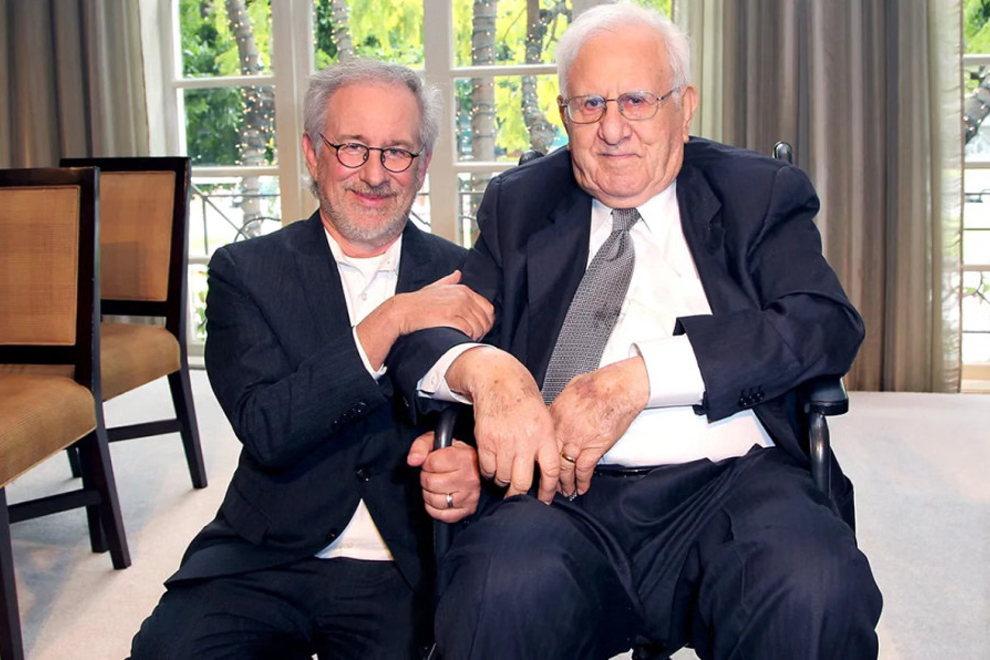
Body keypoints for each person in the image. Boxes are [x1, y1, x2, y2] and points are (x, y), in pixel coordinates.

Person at [386, 3, 882, 658]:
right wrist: (488, 372)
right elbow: (429, 333)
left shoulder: (757, 192)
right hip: (559, 496)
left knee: (813, 590)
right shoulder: (521, 204)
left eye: (638, 101)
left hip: (734, 482)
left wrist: (643, 378)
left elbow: (823, 323)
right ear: (565, 115)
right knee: (493, 594)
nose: (613, 129)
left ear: (686, 105)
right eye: (590, 105)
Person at [129, 59, 494, 660]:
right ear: (312, 153)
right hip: (267, 553)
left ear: (423, 165)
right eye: (352, 147)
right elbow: (269, 428)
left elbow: (497, 423)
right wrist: (391, 320)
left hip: (402, 566)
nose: (375, 174)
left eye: (397, 152)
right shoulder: (244, 272)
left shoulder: (467, 279)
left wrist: (475, 469)